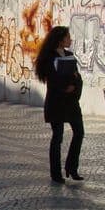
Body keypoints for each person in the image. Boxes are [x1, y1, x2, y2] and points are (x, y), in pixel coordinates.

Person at [34, 25, 84, 184]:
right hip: (56, 102)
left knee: (79, 132)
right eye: (68, 37)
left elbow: (77, 77)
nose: (70, 39)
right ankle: (55, 173)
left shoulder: (69, 55)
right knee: (58, 137)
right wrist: (64, 87)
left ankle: (72, 167)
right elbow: (52, 80)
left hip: (71, 102)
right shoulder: (49, 57)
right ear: (60, 39)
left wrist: (75, 85)